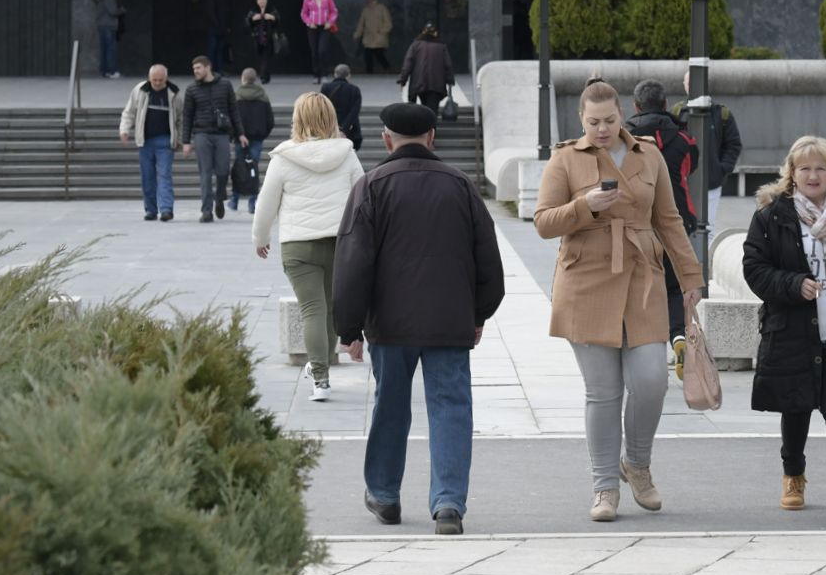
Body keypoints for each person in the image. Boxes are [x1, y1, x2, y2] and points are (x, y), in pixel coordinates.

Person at [533, 80, 704, 523]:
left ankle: (638, 464)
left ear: (622, 113)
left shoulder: (649, 155)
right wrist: (585, 205)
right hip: (586, 278)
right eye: (594, 122)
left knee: (651, 381)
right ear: (580, 119)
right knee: (603, 392)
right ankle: (605, 486)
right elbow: (544, 223)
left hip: (642, 277)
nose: (603, 129)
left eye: (610, 120)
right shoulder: (565, 158)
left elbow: (669, 219)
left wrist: (690, 277)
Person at [334, 103, 505, 536]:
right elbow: (489, 260)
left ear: (386, 138)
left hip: (390, 325)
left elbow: (353, 263)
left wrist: (349, 329)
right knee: (450, 407)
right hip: (450, 320)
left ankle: (385, 495)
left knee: (390, 405)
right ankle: (448, 504)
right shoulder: (461, 186)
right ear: (432, 136)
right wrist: (479, 312)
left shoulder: (371, 186)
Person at [742, 135, 826, 525]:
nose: (813, 175)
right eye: (804, 168)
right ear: (791, 173)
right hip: (792, 329)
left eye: (821, 167)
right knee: (796, 407)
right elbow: (755, 269)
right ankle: (793, 477)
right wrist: (793, 285)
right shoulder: (772, 216)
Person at [254, 91, 363, 402]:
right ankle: (323, 364)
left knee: (312, 310)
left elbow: (266, 205)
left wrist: (259, 239)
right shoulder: (347, 153)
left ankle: (320, 377)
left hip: (298, 245)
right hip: (340, 242)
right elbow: (363, 198)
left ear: (297, 119)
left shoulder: (284, 157)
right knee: (328, 309)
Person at [625, 78, 699, 372]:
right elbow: (690, 168)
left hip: (636, 222)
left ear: (635, 106)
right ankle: (678, 335)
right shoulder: (683, 139)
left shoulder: (625, 137)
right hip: (675, 218)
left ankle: (641, 342)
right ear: (666, 104)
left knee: (636, 283)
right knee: (672, 286)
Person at [672, 73, 743, 229]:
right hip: (682, 182)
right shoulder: (677, 112)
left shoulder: (721, 113)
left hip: (711, 183)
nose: (692, 85)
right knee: (681, 228)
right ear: (683, 84)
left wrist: (721, 169)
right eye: (688, 82)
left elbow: (733, 144)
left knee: (707, 228)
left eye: (696, 81)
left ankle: (704, 254)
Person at [118, 64, 182, 221]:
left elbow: (180, 118)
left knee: (164, 175)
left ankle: (166, 209)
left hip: (165, 141)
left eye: (161, 80)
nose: (158, 83)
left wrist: (180, 139)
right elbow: (129, 112)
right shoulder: (140, 90)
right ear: (149, 78)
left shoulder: (173, 93)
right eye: (154, 80)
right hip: (145, 141)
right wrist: (124, 129)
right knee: (147, 177)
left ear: (166, 79)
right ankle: (151, 210)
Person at [181, 55, 238, 223]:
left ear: (208, 67)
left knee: (223, 171)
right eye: (194, 69)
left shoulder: (225, 85)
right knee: (205, 173)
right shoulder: (192, 89)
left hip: (222, 134)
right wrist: (186, 141)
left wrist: (240, 133)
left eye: (198, 68)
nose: (195, 72)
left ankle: (219, 198)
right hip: (201, 134)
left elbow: (234, 110)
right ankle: (206, 210)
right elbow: (187, 116)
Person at [232, 66, 275, 214]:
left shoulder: (236, 96)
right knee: (253, 170)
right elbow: (270, 120)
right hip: (257, 139)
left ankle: (234, 200)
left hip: (240, 139)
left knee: (239, 168)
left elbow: (232, 119)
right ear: (255, 79)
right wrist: (262, 134)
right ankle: (252, 202)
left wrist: (236, 135)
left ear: (243, 79)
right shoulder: (262, 95)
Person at [398, 24, 455, 114]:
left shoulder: (415, 45)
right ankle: (431, 127)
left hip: (418, 83)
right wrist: (450, 80)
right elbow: (448, 65)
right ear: (435, 33)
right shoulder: (441, 46)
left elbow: (408, 64)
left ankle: (420, 126)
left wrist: (403, 80)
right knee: (432, 110)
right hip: (436, 84)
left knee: (418, 108)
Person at [301, 0, 339, 84]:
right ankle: (316, 75)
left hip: (325, 27)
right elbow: (303, 13)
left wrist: (330, 22)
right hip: (312, 28)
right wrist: (309, 22)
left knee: (322, 51)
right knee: (314, 52)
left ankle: (324, 74)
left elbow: (334, 11)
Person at [322, 63, 365, 149]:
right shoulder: (354, 90)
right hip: (350, 132)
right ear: (349, 75)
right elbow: (354, 111)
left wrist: (333, 128)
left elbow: (322, 109)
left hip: (329, 130)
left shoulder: (325, 88)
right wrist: (343, 129)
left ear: (335, 74)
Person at [353, 0, 394, 73]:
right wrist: (357, 34)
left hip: (379, 37)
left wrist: (382, 31)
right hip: (368, 38)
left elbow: (388, 23)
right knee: (368, 57)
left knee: (379, 55)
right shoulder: (366, 10)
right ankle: (369, 73)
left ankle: (388, 69)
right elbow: (361, 24)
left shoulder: (381, 8)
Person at [94, 0, 125, 78]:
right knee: (110, 49)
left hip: (101, 25)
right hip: (109, 25)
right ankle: (112, 71)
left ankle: (104, 70)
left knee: (104, 49)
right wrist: (121, 10)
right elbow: (112, 11)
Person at [205, 0, 235, 76]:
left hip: (223, 28)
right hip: (214, 28)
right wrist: (217, 25)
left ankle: (219, 70)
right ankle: (210, 70)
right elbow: (210, 13)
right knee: (212, 49)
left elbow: (227, 13)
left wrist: (227, 26)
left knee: (220, 50)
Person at [247, 0, 279, 83]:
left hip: (269, 38)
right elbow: (247, 22)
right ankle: (266, 75)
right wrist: (252, 19)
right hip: (258, 38)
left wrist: (272, 18)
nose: (261, 1)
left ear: (266, 0)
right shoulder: (253, 10)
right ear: (257, 1)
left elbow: (278, 20)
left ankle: (263, 77)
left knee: (266, 57)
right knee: (261, 58)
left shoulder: (271, 9)